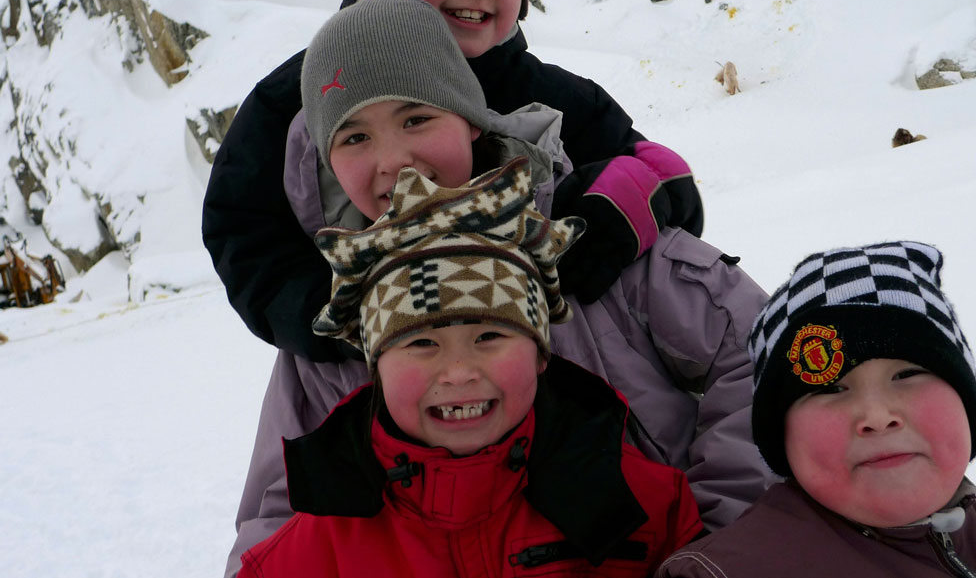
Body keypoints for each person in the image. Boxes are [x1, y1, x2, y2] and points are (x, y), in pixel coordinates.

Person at [224, 0, 773, 576]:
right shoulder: (330, 317)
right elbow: (278, 516)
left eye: (417, 117)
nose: (394, 161)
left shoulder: (589, 234)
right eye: (355, 137)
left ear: (467, 117)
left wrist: (721, 541)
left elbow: (761, 356)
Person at [202, 0, 703, 364]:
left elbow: (657, 174)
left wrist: (618, 209)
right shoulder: (305, 94)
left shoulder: (549, 96)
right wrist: (336, 313)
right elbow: (241, 227)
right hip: (373, 386)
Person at [237, 157, 704, 577]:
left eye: (489, 336)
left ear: (542, 353)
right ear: (375, 368)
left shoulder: (647, 504)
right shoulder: (315, 550)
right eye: (421, 342)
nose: (458, 372)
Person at [657, 241, 976, 578]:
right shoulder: (726, 571)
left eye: (906, 375)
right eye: (831, 389)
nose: (878, 415)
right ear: (780, 435)